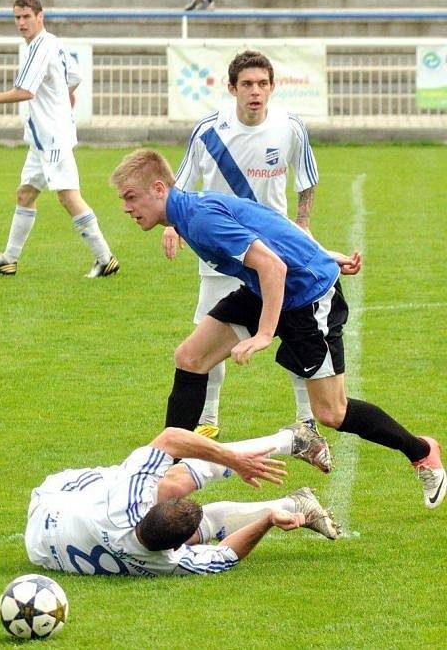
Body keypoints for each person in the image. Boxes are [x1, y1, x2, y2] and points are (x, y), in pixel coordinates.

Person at [110, 149, 446, 510]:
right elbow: (263, 220)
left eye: (131, 197)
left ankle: (422, 450)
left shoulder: (199, 217)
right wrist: (319, 253)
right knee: (190, 357)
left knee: (332, 413)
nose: (126, 208)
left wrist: (265, 334)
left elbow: (273, 267)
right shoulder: (188, 211)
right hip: (266, 289)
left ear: (159, 188)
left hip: (307, 298)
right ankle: (164, 470)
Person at [164, 50, 319, 439]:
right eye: (247, 84)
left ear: (272, 87)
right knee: (206, 332)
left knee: (295, 330)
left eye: (263, 84)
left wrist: (302, 224)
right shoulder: (208, 131)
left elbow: (307, 178)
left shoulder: (290, 127)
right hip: (223, 253)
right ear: (232, 88)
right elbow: (178, 183)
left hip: (277, 251)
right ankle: (207, 419)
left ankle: (307, 418)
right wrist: (172, 226)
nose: (255, 92)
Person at [26, 425, 339, 577]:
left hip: (51, 508)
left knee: (171, 484)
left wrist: (234, 461)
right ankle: (294, 481)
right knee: (173, 484)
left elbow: (170, 438)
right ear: (179, 547)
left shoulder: (130, 501)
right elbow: (227, 554)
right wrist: (271, 514)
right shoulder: (169, 562)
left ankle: (294, 441)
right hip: (55, 520)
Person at [0, 0, 119, 278]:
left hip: (52, 135)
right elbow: (73, 78)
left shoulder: (40, 47)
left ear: (41, 16)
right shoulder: (52, 43)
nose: (22, 23)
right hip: (43, 137)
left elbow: (26, 90)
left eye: (27, 17)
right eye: (17, 17)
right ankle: (9, 258)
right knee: (25, 194)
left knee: (67, 196)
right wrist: (60, 100)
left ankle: (105, 257)